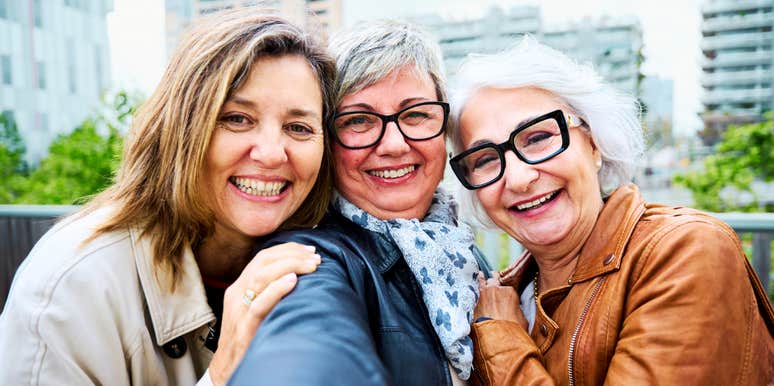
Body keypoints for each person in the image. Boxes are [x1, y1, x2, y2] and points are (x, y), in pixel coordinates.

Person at [0, 9, 336, 386]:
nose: (273, 153)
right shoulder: (68, 290)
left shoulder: (327, 256)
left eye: (298, 127)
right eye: (237, 118)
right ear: (181, 128)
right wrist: (222, 373)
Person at [446, 36, 774, 385]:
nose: (519, 178)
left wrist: (501, 341)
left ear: (594, 142)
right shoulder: (497, 294)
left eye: (538, 138)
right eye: (485, 159)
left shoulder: (686, 251)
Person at [230, 20, 491, 386]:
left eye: (416, 114)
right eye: (359, 121)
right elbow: (306, 350)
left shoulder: (455, 247)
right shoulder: (312, 260)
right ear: (327, 142)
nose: (394, 144)